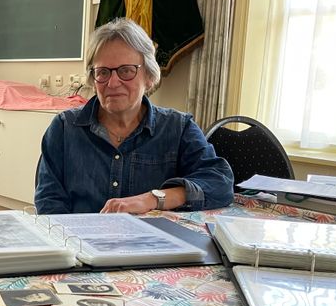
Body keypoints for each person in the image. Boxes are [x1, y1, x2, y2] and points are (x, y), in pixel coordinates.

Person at [35, 18, 233, 215]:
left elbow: (220, 184)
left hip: (153, 245)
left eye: (126, 71)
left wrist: (153, 199)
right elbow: (49, 204)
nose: (112, 83)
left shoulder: (178, 128)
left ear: (149, 76)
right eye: (103, 72)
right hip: (77, 243)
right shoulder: (64, 129)